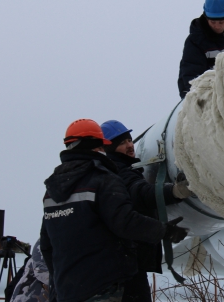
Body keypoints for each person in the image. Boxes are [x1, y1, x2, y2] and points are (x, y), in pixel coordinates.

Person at [40, 119, 187, 302]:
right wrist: (164, 230)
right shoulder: (103, 179)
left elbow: (46, 246)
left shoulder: (51, 191)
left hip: (68, 291)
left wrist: (60, 281)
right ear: (98, 145)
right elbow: (125, 221)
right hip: (103, 286)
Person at [100, 120, 193, 302]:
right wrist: (174, 192)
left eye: (129, 140)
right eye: (121, 143)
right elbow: (139, 192)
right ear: (108, 149)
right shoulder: (118, 171)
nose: (129, 146)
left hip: (120, 262)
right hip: (127, 262)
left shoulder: (114, 170)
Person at [177, 0, 224, 99]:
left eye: (221, 22)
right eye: (213, 22)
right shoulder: (195, 41)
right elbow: (189, 80)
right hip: (207, 102)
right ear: (206, 18)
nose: (217, 26)